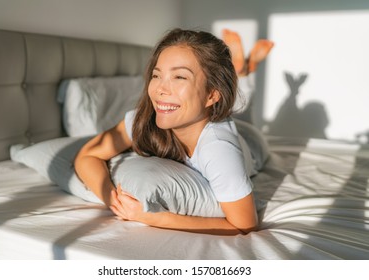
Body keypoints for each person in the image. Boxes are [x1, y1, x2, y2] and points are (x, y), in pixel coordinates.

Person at [74, 28, 270, 235]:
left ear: (211, 94)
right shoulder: (143, 119)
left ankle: (244, 73)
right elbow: (87, 155)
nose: (160, 89)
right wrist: (112, 199)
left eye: (179, 77)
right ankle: (242, 70)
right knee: (235, 112)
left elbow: (244, 225)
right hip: (212, 118)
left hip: (250, 145)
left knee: (245, 119)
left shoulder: (220, 149)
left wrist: (152, 217)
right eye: (157, 75)